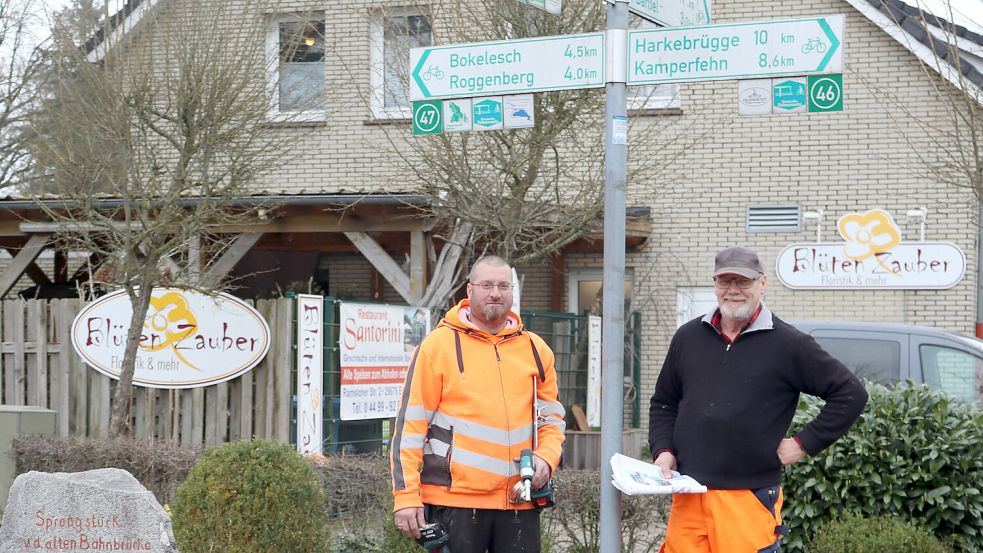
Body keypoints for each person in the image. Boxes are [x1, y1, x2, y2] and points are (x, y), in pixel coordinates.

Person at [649, 245, 868, 552]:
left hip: (748, 497)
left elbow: (851, 394)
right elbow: (664, 402)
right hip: (688, 495)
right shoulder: (687, 337)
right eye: (725, 282)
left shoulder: (789, 344)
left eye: (744, 282)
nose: (733, 290)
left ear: (762, 284)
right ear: (715, 285)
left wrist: (803, 445)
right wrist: (664, 450)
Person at [390, 255, 565, 552]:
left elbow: (551, 420)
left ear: (512, 291)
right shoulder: (437, 346)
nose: (495, 293)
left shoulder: (536, 349)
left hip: (518, 501)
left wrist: (547, 459)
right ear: (469, 291)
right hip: (453, 503)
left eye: (503, 285)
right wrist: (406, 496)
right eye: (486, 285)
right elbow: (410, 427)